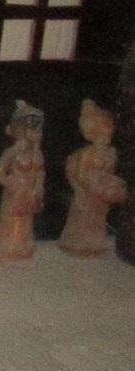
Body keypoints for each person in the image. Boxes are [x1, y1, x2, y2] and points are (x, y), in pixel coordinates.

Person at [59, 99, 128, 256]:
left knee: (98, 218)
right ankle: (80, 244)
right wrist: (91, 185)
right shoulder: (87, 153)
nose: (109, 128)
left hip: (101, 191)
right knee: (85, 217)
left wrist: (109, 183)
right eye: (104, 125)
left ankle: (94, 244)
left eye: (110, 125)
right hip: (88, 189)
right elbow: (80, 174)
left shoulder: (112, 153)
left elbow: (110, 173)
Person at [0, 101, 46, 264]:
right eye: (36, 130)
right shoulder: (11, 152)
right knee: (12, 221)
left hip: (30, 193)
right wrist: (12, 184)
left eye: (40, 130)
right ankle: (7, 252)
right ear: (23, 131)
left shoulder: (36, 153)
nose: (40, 134)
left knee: (26, 223)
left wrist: (39, 185)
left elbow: (41, 171)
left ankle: (23, 251)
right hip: (15, 193)